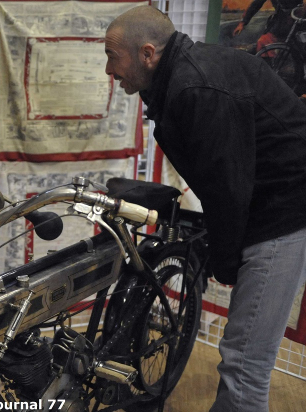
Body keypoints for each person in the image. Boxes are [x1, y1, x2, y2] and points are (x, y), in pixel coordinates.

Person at [104, 6, 306, 411]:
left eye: (113, 56)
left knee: (244, 361)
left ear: (147, 53)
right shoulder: (174, 79)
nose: (109, 69)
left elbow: (227, 187)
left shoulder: (196, 86)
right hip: (262, 201)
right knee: (243, 357)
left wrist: (226, 260)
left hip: (285, 210)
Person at [233, 0, 304, 52]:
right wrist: (243, 22)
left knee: (299, 48)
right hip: (281, 22)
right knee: (264, 43)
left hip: (299, 19)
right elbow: (256, 4)